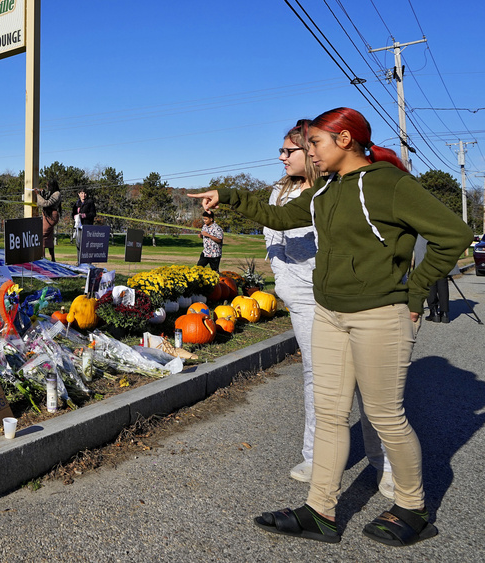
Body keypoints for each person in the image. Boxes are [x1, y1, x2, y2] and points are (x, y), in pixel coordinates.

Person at [189, 107, 471, 547]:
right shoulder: (325, 191)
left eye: (315, 144)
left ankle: (413, 509)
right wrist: (226, 197)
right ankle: (321, 511)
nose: (310, 154)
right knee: (332, 415)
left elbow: (453, 234)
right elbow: (281, 217)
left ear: (344, 140)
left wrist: (413, 293)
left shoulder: (388, 183)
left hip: (380, 315)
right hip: (330, 314)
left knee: (384, 416)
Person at [264, 121, 392, 495]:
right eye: (282, 151)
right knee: (318, 379)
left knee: (369, 385)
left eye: (289, 151)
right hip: (305, 301)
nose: (281, 157)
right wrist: (288, 287)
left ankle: (383, 463)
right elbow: (274, 243)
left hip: (350, 295)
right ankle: (316, 456)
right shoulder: (279, 194)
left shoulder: (338, 189)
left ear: (312, 152)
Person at [35, 179, 62, 262]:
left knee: (42, 235)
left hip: (50, 216)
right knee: (49, 237)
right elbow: (46, 198)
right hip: (48, 215)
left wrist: (37, 195)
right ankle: (52, 258)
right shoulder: (52, 193)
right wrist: (42, 193)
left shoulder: (57, 194)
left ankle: (42, 258)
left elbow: (46, 203)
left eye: (48, 185)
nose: (47, 187)